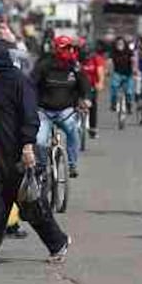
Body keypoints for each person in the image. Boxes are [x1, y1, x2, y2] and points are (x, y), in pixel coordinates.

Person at [0, 40, 71, 267]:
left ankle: (58, 242)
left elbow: (30, 115)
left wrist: (28, 146)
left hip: (20, 153)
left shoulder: (20, 82)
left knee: (31, 205)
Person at [31, 36, 90, 180]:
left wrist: (86, 99)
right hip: (44, 111)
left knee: (74, 130)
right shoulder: (44, 65)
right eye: (65, 48)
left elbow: (85, 84)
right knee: (40, 140)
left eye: (71, 48)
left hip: (66, 111)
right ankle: (42, 166)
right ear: (57, 49)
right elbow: (31, 84)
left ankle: (71, 164)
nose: (69, 51)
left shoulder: (75, 66)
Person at [80, 39, 107, 140]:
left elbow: (100, 71)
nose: (86, 58)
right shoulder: (78, 59)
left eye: (88, 55)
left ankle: (93, 129)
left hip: (91, 85)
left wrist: (100, 82)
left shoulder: (96, 59)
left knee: (93, 105)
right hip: (79, 86)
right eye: (84, 55)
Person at [108, 36, 136, 117]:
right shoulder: (113, 52)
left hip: (128, 74)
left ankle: (129, 105)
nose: (119, 45)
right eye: (118, 44)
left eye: (121, 43)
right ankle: (113, 104)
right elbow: (109, 61)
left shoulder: (129, 52)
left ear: (124, 44)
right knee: (114, 87)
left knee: (129, 92)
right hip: (117, 74)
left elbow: (133, 60)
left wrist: (134, 69)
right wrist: (108, 70)